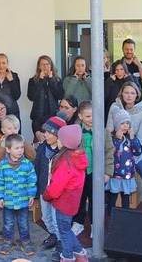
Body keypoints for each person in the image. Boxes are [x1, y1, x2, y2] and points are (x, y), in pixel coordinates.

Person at [42, 125, 89, 262]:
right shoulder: (79, 157)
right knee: (67, 230)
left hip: (63, 204)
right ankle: (80, 255)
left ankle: (68, 257)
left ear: (65, 142)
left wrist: (46, 195)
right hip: (72, 203)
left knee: (64, 233)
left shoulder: (65, 162)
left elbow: (56, 187)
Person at [72, 101, 113, 238]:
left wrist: (107, 172)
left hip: (97, 172)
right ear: (80, 116)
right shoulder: (76, 131)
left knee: (96, 199)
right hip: (80, 172)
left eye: (94, 116)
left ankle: (96, 225)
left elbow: (109, 152)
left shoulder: (104, 132)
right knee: (80, 198)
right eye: (88, 116)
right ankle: (78, 222)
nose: (92, 119)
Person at [0, 133, 38, 256]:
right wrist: (0, 197)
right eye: (16, 148)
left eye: (22, 147)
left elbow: (32, 180)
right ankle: (8, 241)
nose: (20, 151)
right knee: (8, 224)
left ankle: (26, 242)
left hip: (23, 201)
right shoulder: (2, 165)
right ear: (8, 149)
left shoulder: (27, 164)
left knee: (23, 223)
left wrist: (31, 195)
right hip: (8, 201)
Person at [117, 82, 142, 208]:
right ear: (122, 94)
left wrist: (132, 140)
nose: (129, 96)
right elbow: (109, 131)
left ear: (137, 95)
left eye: (132, 93)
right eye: (126, 92)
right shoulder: (115, 108)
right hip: (117, 152)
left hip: (136, 152)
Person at [0, 115, 37, 214]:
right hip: (6, 178)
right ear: (3, 130)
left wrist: (24, 143)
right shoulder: (0, 142)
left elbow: (33, 156)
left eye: (15, 128)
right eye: (9, 128)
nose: (13, 131)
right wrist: (3, 145)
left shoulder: (21, 142)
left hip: (20, 177)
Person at [34, 116, 66, 261]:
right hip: (43, 189)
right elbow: (37, 168)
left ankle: (61, 241)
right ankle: (53, 234)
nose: (45, 135)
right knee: (46, 217)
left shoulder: (63, 152)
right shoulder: (42, 147)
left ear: (58, 135)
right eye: (44, 132)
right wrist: (36, 190)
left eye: (49, 132)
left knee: (56, 217)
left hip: (58, 193)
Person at [107, 108, 142, 211]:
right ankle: (111, 217)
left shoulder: (130, 138)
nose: (125, 126)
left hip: (128, 175)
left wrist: (133, 138)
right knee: (112, 197)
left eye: (127, 123)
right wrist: (118, 140)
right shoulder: (112, 138)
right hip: (116, 175)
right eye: (122, 123)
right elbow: (112, 152)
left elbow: (138, 151)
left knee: (126, 197)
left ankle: (125, 217)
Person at [28, 55, 64, 141]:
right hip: (38, 117)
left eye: (47, 64)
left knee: (53, 140)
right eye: (42, 64)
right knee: (38, 141)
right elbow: (31, 97)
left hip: (52, 115)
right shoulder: (33, 81)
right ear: (39, 66)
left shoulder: (57, 80)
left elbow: (60, 96)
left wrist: (51, 80)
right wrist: (40, 80)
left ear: (51, 66)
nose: (45, 67)